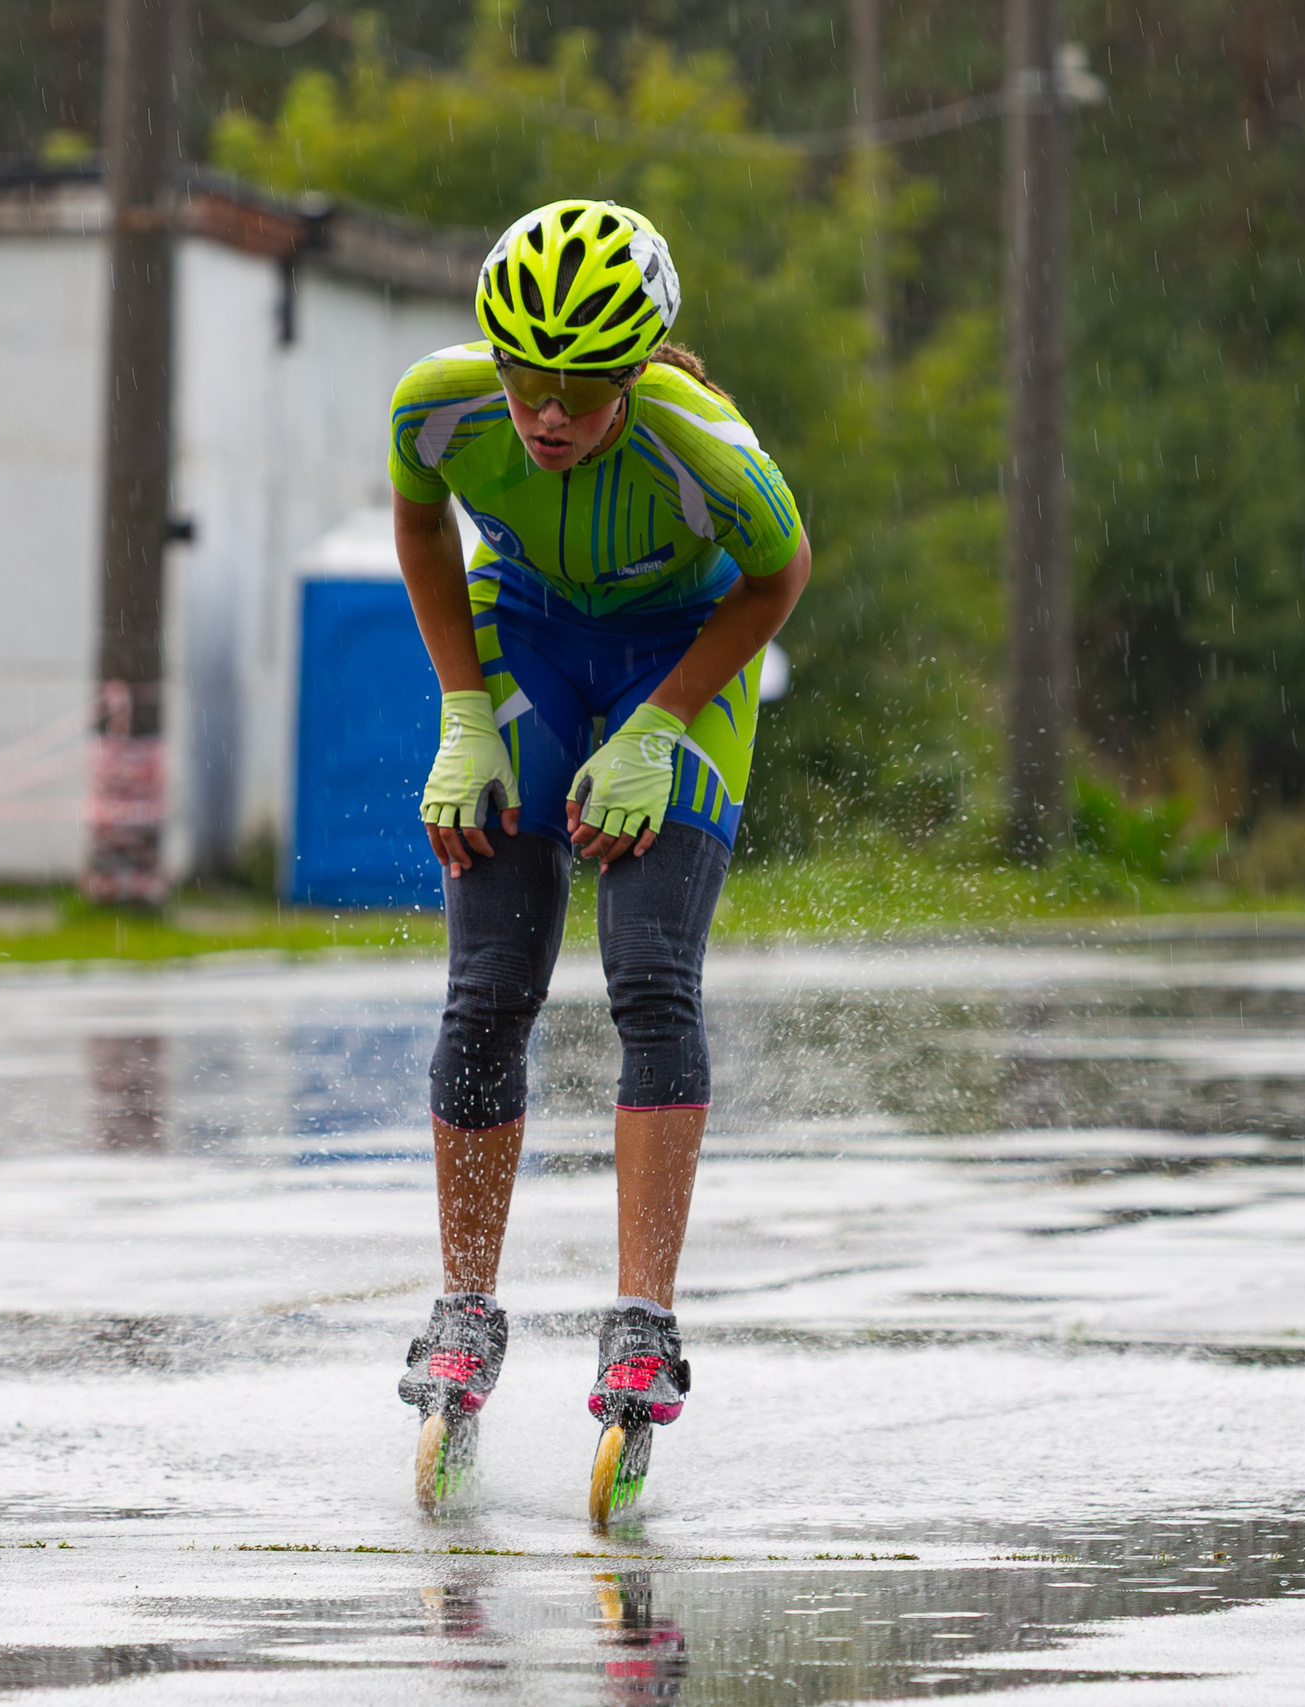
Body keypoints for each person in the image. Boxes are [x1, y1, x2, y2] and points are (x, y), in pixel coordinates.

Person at [389, 200, 811, 1453]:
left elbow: (780, 577)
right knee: (487, 988)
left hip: (678, 656)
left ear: (632, 372)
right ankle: (464, 1307)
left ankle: (643, 1319)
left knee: (648, 981)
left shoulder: (709, 449)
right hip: (528, 636)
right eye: (528, 378)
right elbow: (421, 522)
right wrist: (465, 711)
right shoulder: (437, 406)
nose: (548, 415)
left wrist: (664, 722)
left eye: (581, 386)